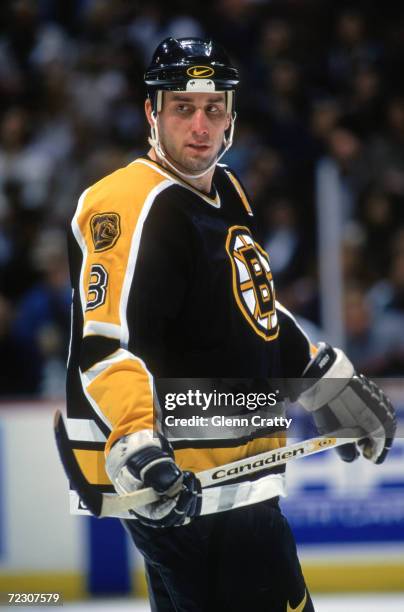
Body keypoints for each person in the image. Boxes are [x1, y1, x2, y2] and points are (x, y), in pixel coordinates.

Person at [66, 38, 396, 612]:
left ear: (232, 118)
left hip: (233, 490)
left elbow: (252, 306)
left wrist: (324, 378)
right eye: (183, 108)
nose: (200, 125)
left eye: (213, 109)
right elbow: (103, 344)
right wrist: (136, 440)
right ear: (152, 112)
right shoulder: (129, 200)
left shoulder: (223, 191)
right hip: (196, 495)